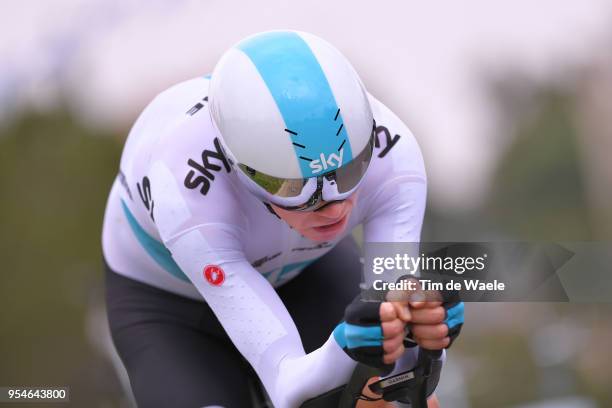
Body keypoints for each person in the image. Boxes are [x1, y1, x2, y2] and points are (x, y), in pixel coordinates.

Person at [102, 30, 462, 408]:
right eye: (293, 187)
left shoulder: (395, 156)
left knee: (385, 401)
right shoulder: (184, 187)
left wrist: (423, 337)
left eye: (350, 171)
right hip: (170, 310)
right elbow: (288, 385)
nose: (334, 208)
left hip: (305, 274)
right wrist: (345, 349)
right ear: (239, 168)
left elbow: (399, 361)